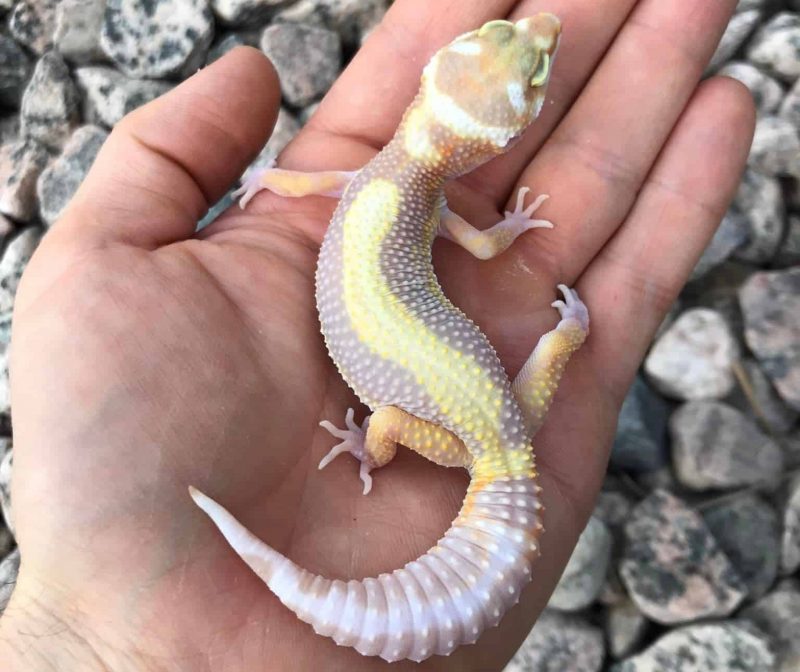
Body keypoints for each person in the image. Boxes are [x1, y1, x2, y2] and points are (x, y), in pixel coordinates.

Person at [0, 1, 754, 670]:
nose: (539, 32)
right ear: (490, 136)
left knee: (405, 413)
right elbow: (487, 246)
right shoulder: (426, 203)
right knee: (411, 412)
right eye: (514, 48)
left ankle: (557, 343)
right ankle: (552, 344)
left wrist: (263, 183)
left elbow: (311, 185)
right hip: (487, 431)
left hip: (486, 435)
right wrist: (527, 255)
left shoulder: (378, 175)